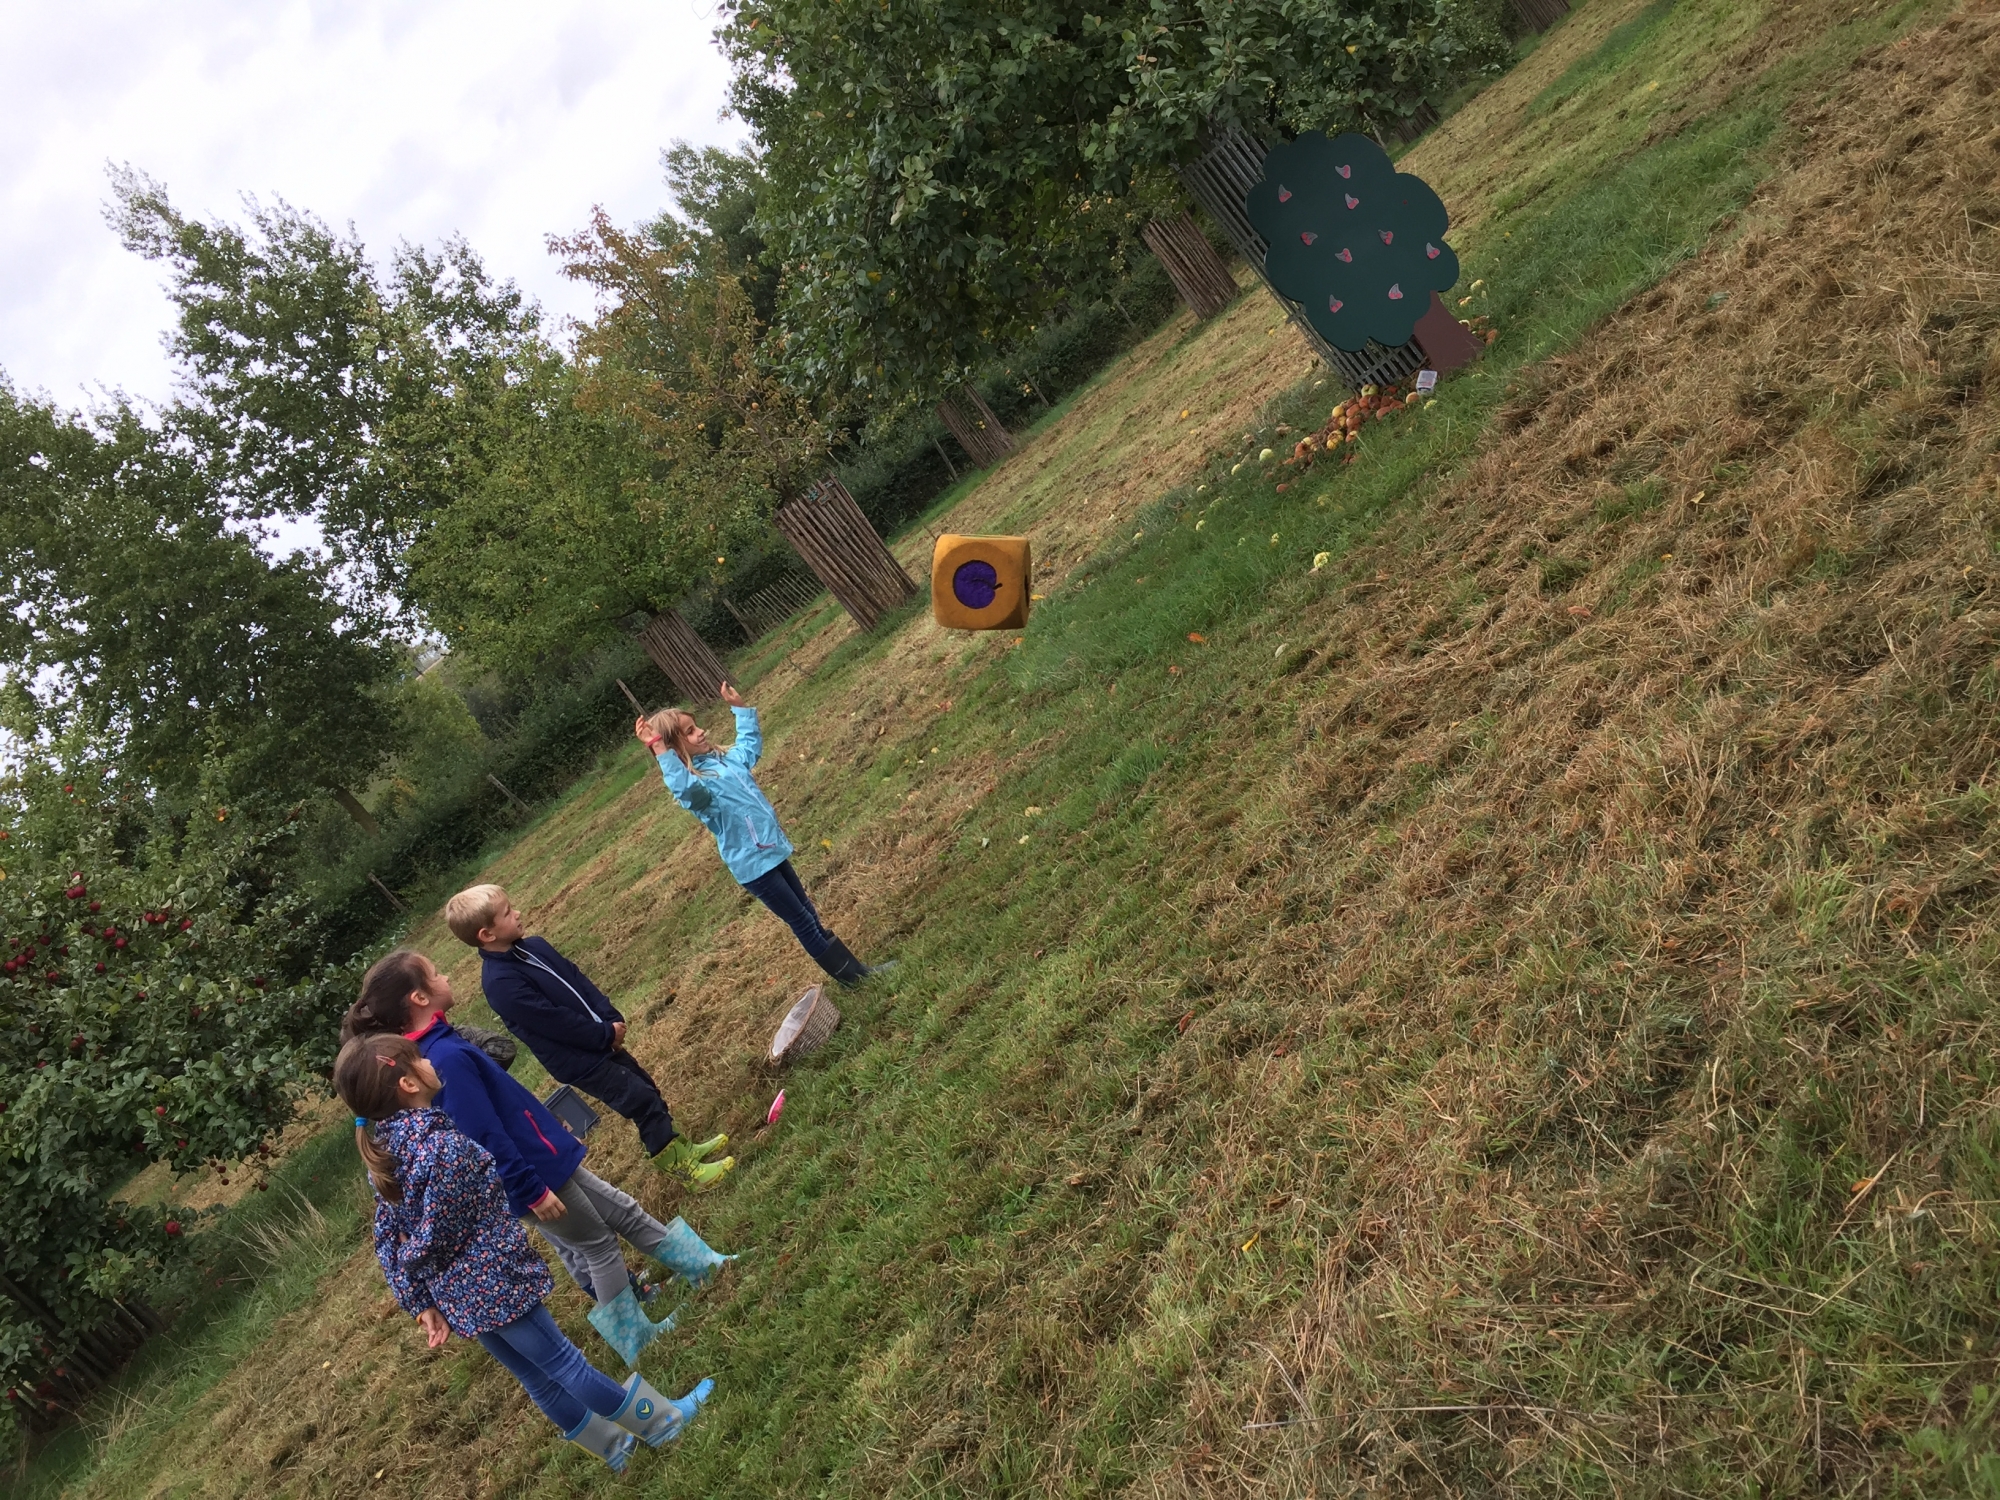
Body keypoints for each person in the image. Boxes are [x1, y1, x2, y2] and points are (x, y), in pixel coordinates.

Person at [333, 1032, 712, 1471]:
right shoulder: (441, 1147)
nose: (430, 1063)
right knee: (565, 1364)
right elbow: (436, 1234)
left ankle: (615, 1450)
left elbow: (388, 1237)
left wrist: (419, 1300)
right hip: (492, 1281)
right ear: (408, 1084)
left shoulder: (387, 1153)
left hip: (456, 1298)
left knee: (537, 1380)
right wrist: (419, 1265)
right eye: (419, 1059)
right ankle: (662, 1423)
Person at [340, 949, 735, 1366]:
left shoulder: (442, 1045)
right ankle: (637, 1340)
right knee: (599, 1244)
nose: (447, 976)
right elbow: (483, 1135)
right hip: (534, 1172)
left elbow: (506, 1106)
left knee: (622, 1210)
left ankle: (704, 1266)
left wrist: (549, 1132)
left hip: (543, 1156)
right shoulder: (444, 1059)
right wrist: (529, 1189)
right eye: (436, 973)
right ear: (419, 997)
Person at [443, 882, 732, 1188]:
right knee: (639, 1099)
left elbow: (577, 979)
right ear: (487, 935)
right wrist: (603, 1035)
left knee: (645, 1086)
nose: (518, 913)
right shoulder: (500, 983)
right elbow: (554, 1022)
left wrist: (610, 1018)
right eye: (507, 913)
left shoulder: (535, 947)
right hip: (580, 1059)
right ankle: (683, 1170)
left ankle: (680, 1147)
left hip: (601, 1037)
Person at [636, 683, 892, 987]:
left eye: (696, 726)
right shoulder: (698, 786)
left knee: (807, 912)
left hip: (770, 848)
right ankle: (855, 979)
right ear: (676, 749)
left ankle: (854, 972)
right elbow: (685, 789)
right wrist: (660, 750)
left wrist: (741, 709)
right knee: (801, 921)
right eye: (690, 732)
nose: (701, 732)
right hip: (754, 866)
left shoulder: (721, 760)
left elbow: (749, 748)